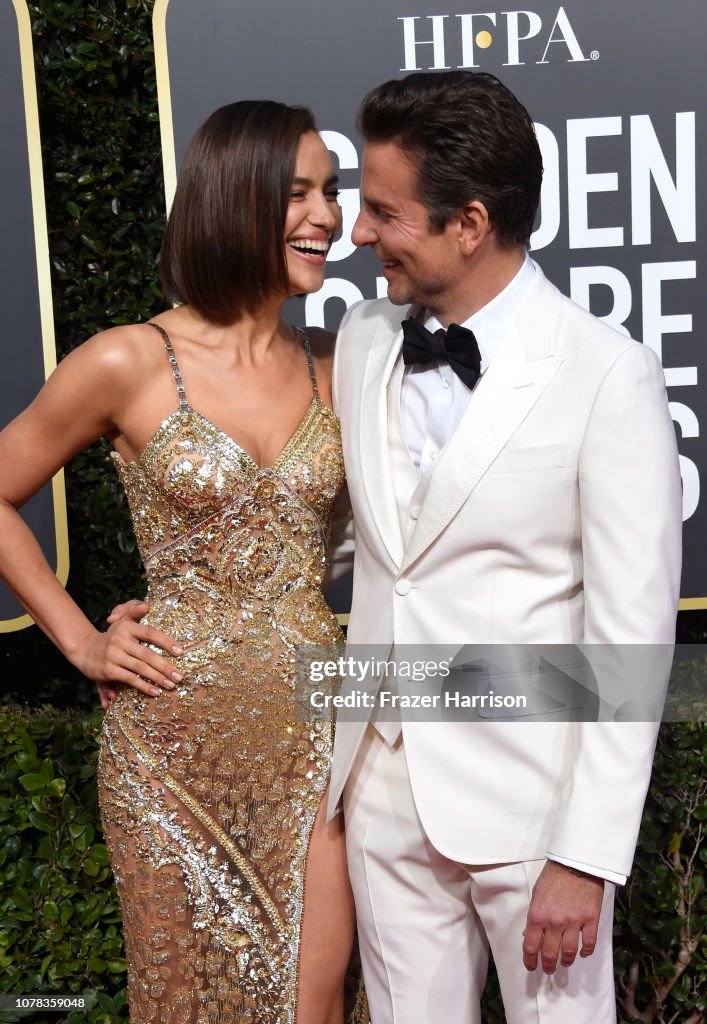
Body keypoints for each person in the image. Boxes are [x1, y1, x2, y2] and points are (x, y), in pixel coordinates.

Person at [0, 100, 367, 1024]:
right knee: (182, 1005)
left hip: (315, 738)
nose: (326, 215)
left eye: (331, 191)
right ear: (234, 199)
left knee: (313, 998)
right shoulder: (128, 358)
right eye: (298, 193)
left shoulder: (337, 363)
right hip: (168, 749)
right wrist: (80, 639)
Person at [327, 71, 682, 1023]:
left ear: (469, 224)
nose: (357, 235)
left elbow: (630, 637)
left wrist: (586, 854)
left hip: (536, 815)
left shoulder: (605, 375)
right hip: (381, 787)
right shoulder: (362, 338)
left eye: (383, 212)